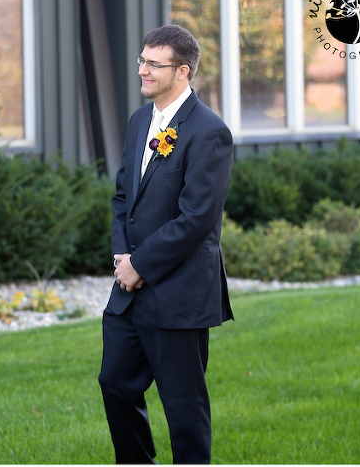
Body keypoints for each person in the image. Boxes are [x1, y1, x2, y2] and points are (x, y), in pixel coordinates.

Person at [98, 25, 234, 464]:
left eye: (153, 64)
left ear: (182, 71)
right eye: (141, 61)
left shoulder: (209, 132)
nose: (142, 70)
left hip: (179, 292)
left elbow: (197, 219)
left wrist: (142, 264)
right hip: (129, 288)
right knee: (115, 383)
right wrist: (123, 256)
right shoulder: (141, 121)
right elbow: (124, 197)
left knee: (183, 406)